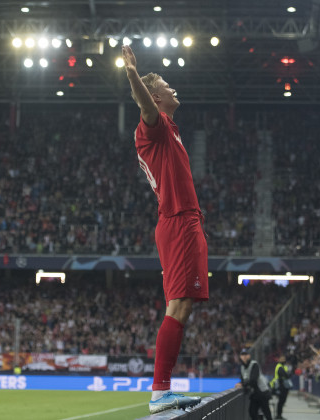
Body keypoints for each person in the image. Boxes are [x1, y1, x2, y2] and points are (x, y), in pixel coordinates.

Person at [122, 44, 208, 414]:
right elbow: (143, 105)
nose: (175, 89)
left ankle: (162, 390)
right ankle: (160, 392)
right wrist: (132, 74)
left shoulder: (169, 129)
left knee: (183, 305)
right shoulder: (153, 127)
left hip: (182, 220)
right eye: (168, 86)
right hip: (177, 220)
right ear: (157, 96)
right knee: (179, 305)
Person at [239, 348, 274, 420]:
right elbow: (243, 379)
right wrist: (242, 384)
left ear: (249, 356)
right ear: (240, 357)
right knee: (252, 412)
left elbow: (253, 380)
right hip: (255, 393)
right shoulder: (242, 367)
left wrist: (242, 384)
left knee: (265, 412)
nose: (244, 356)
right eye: (242, 355)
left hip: (262, 392)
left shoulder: (254, 364)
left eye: (246, 354)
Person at [270, 355, 290, 419]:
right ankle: (278, 415)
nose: (283, 360)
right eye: (282, 359)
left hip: (282, 386)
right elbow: (286, 375)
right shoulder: (280, 367)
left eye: (284, 359)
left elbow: (287, 375)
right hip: (280, 386)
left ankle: (279, 414)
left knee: (281, 401)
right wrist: (287, 375)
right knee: (281, 401)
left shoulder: (283, 366)